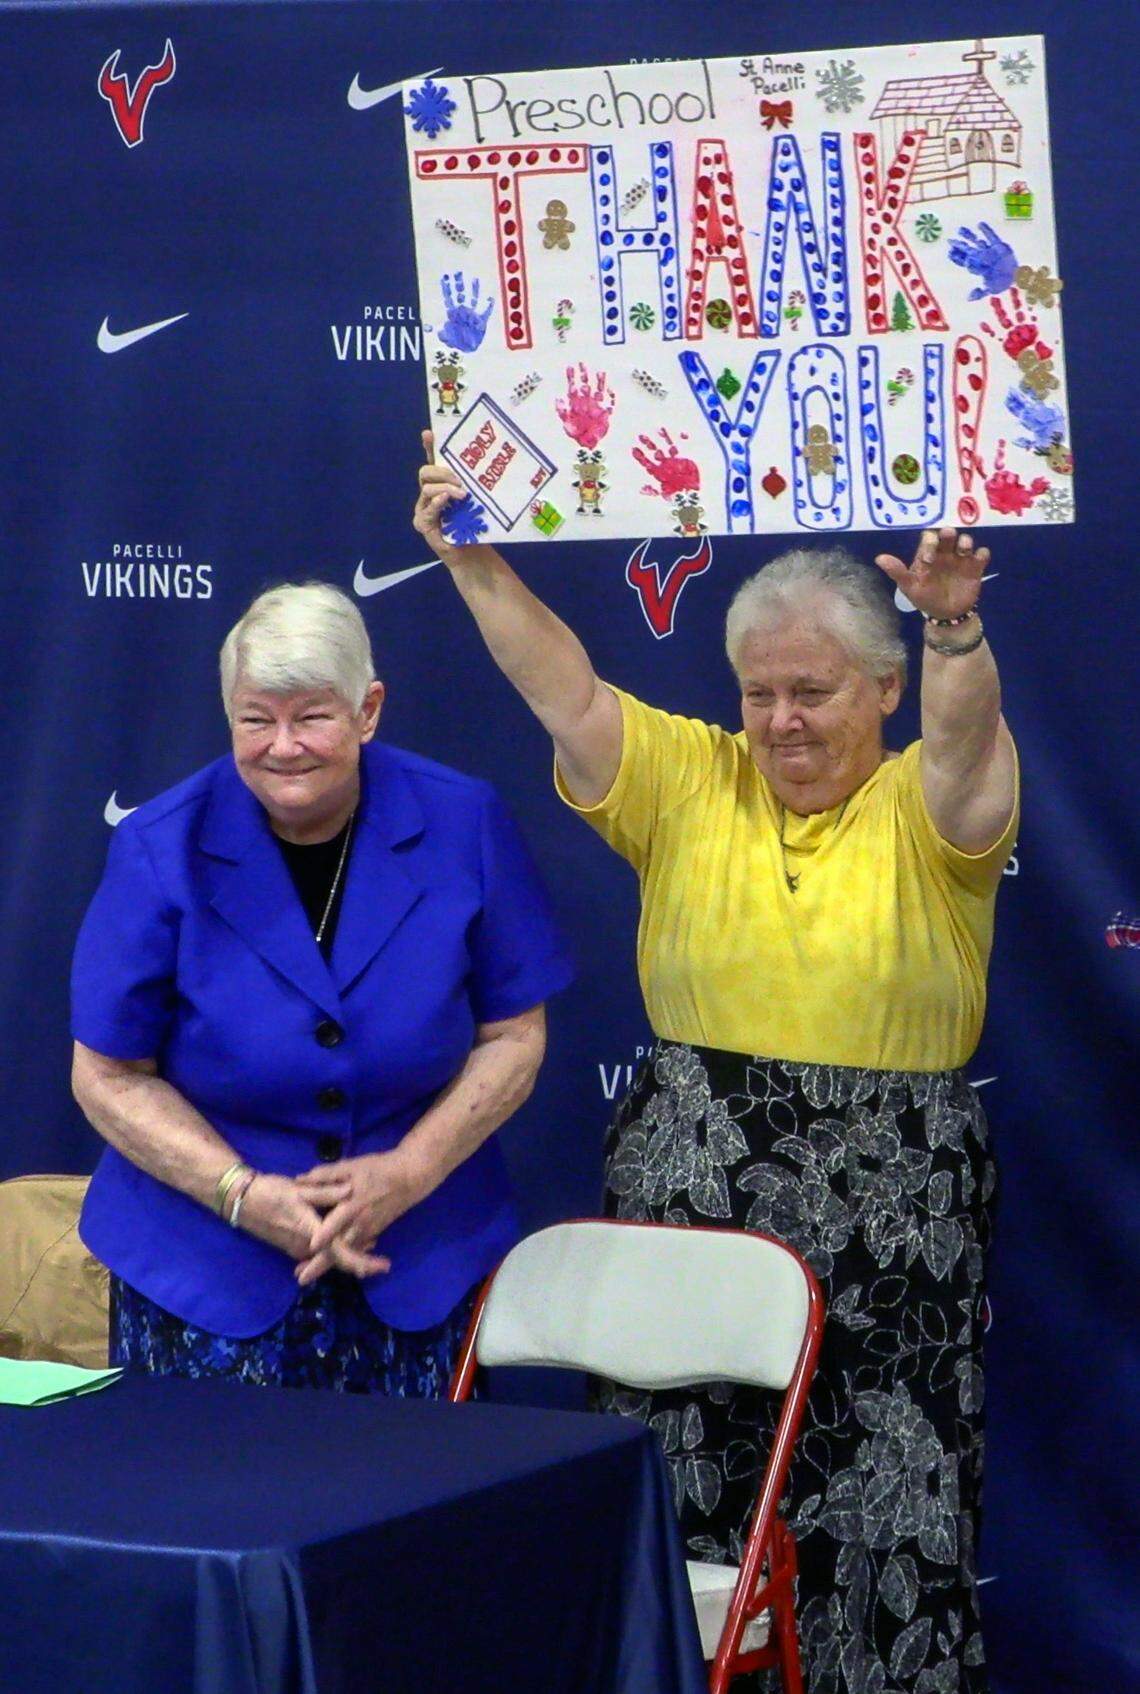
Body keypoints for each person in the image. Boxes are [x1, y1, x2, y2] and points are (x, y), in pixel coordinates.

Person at [415, 434, 1017, 1694]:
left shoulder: (930, 807)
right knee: (678, 1505)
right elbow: (566, 693)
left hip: (895, 1213)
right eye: (761, 692)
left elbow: (970, 753)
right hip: (693, 1183)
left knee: (879, 1523)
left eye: (815, 689)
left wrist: (955, 632)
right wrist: (471, 561)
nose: (784, 719)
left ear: (884, 689)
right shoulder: (691, 780)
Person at [71, 581, 572, 1396]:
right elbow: (106, 1075)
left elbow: (515, 1035)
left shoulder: (462, 821)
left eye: (312, 716)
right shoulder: (159, 848)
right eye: (255, 718)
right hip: (206, 1272)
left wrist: (407, 1174)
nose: (283, 746)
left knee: (425, 1514)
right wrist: (240, 1194)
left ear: (368, 710)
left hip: (420, 1261)